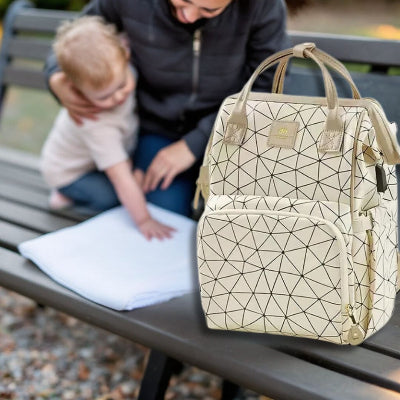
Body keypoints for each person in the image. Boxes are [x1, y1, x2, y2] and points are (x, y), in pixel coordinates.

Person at [45, 0, 290, 217]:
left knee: (242, 219)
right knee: (164, 213)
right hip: (157, 129)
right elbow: (79, 35)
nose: (189, 16)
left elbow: (266, 88)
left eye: (208, 9)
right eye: (182, 2)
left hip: (232, 135)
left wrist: (195, 143)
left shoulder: (263, 6)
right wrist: (56, 75)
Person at [41, 16, 176, 241]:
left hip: (98, 159)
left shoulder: (118, 64)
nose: (118, 97)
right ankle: (64, 195)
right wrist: (144, 220)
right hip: (68, 172)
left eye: (122, 85)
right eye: (105, 97)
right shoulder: (95, 122)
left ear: (126, 54)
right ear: (77, 91)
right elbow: (121, 178)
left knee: (134, 185)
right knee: (112, 200)